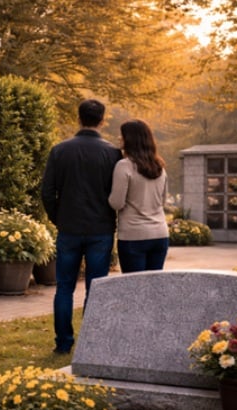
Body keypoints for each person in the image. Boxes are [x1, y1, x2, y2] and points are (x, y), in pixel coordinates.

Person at [41, 99, 122, 354]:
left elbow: (47, 192)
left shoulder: (60, 150)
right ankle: (91, 342)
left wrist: (58, 218)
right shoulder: (112, 153)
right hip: (100, 229)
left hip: (69, 228)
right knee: (96, 288)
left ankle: (63, 343)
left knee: (64, 287)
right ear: (102, 119)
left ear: (79, 118)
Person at [108, 119, 169, 273]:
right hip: (160, 235)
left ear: (131, 139)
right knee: (153, 288)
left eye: (122, 135)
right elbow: (163, 201)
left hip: (133, 236)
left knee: (133, 290)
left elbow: (117, 203)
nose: (119, 138)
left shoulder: (124, 166)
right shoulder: (160, 167)